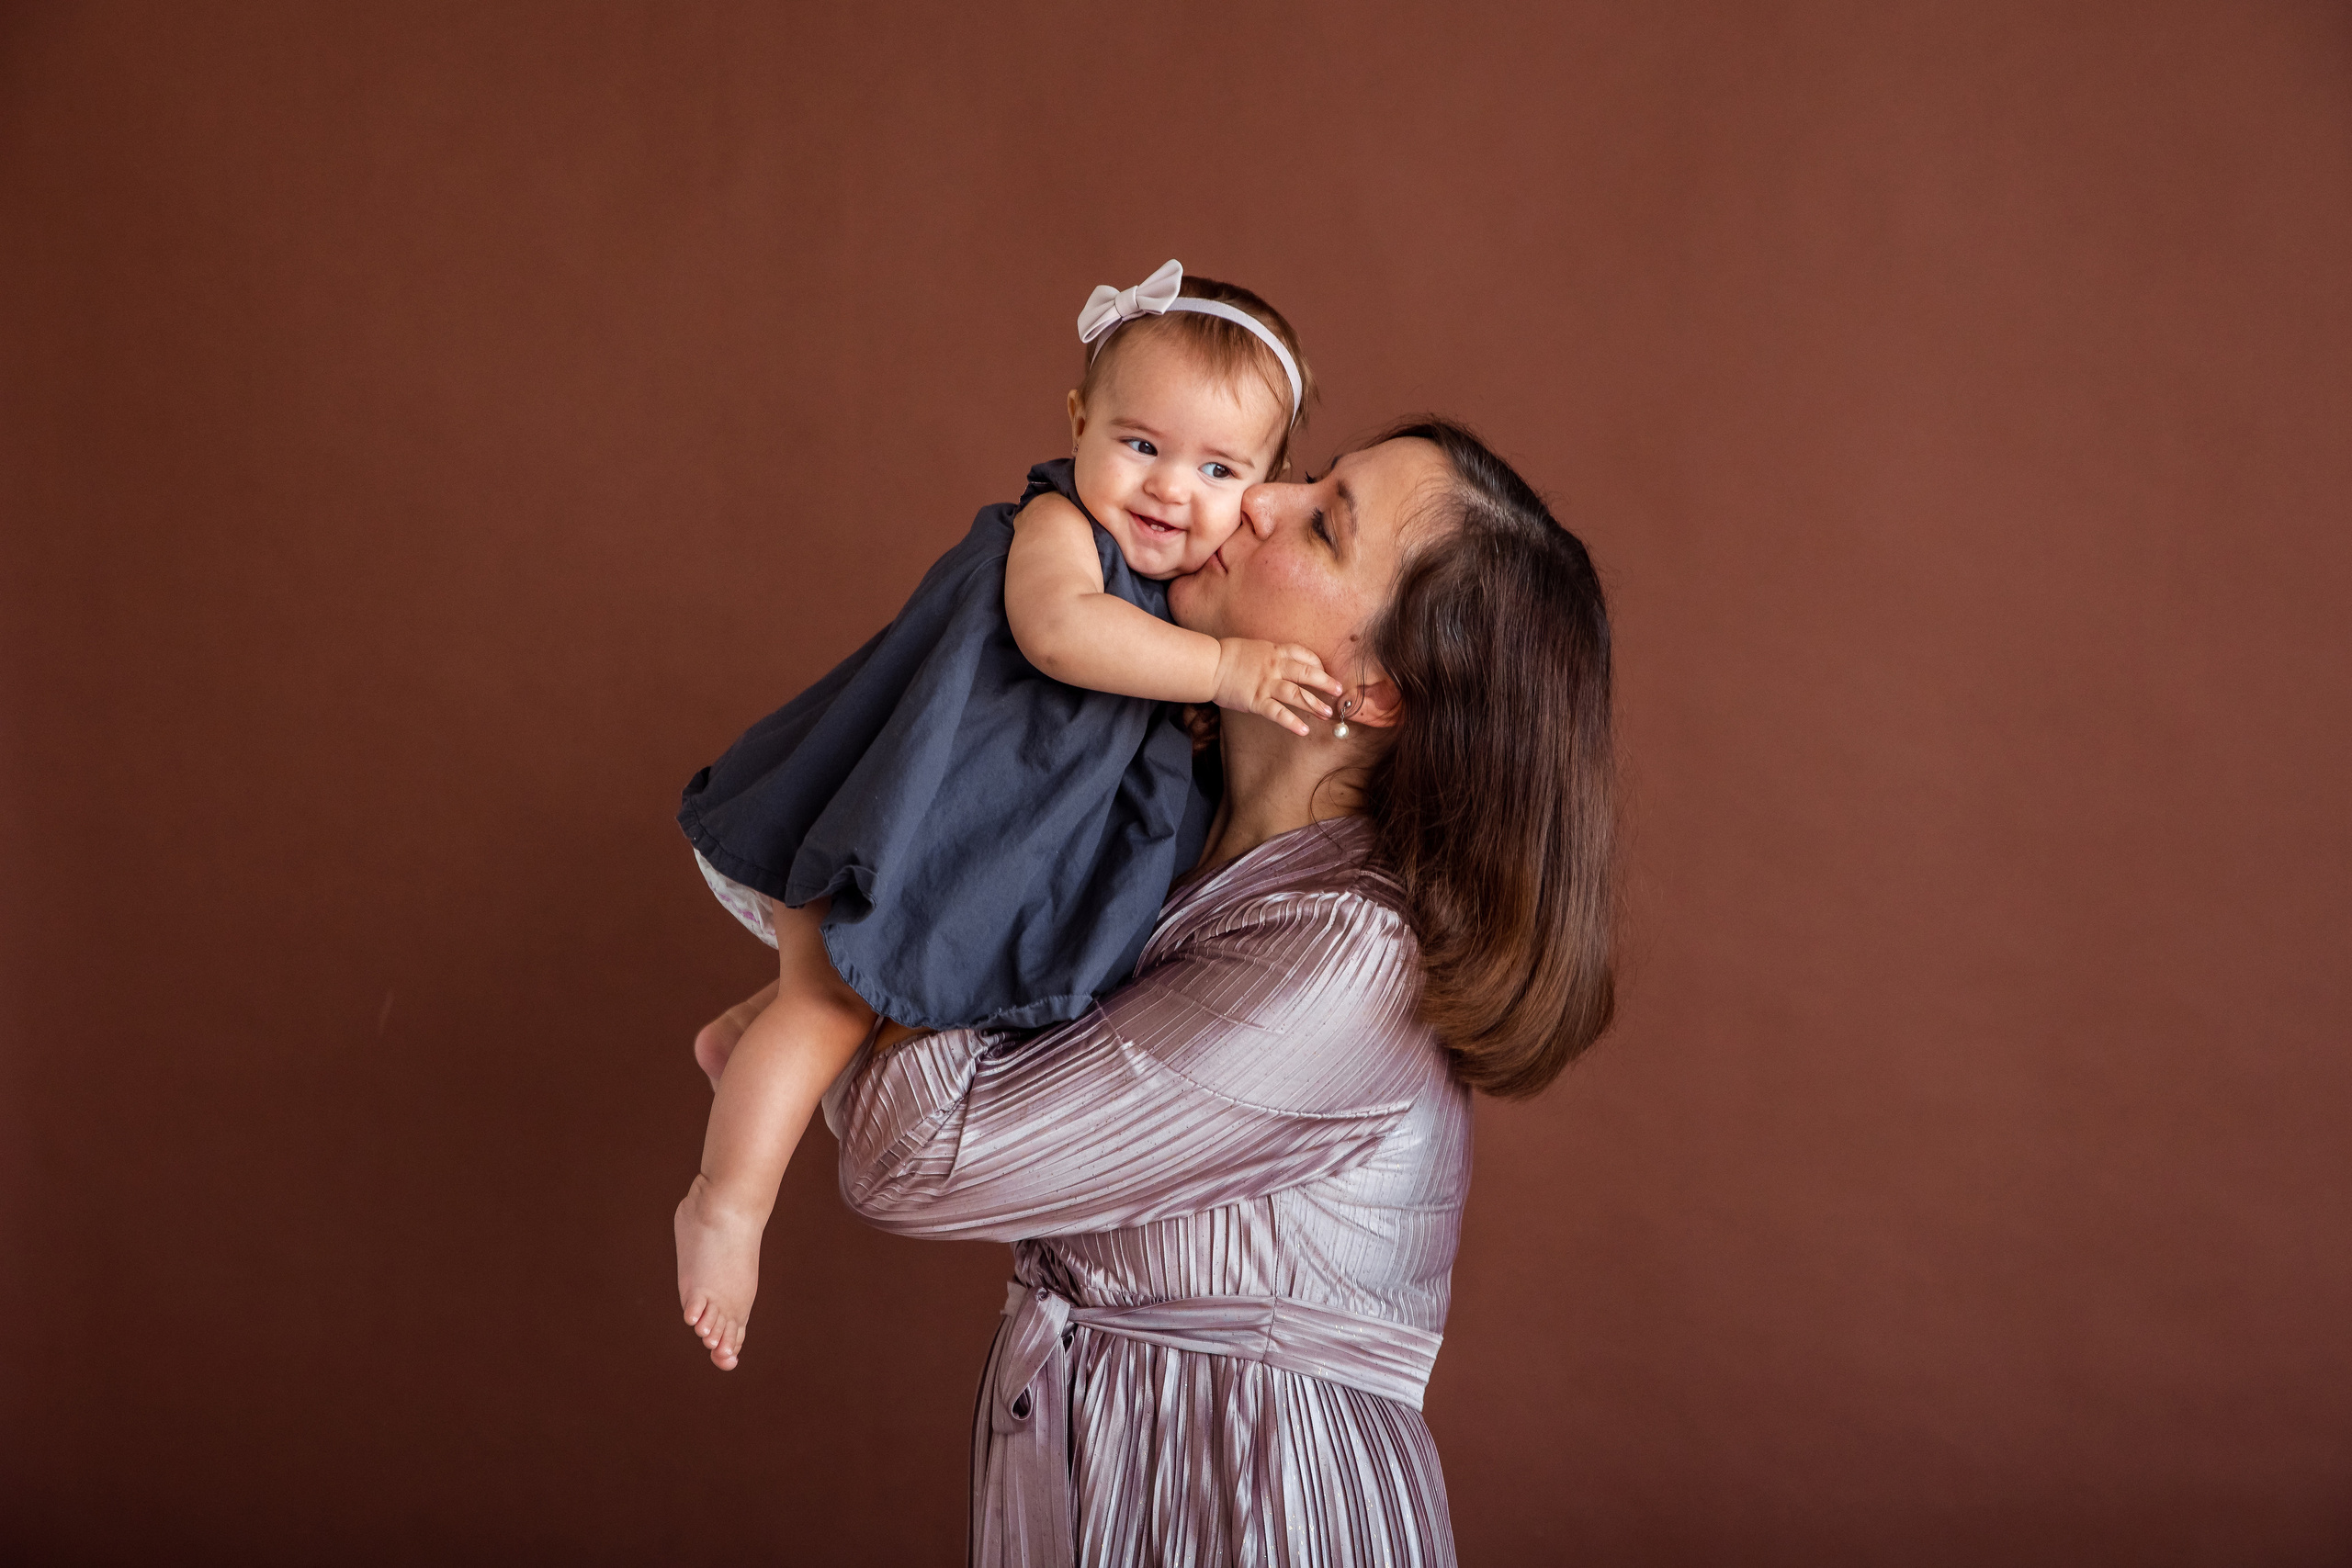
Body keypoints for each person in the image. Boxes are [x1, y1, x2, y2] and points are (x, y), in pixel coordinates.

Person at [830, 419, 1618, 1566]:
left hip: (1262, 1519)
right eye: (1307, 472)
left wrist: (937, 873)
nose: (1255, 497)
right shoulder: (1157, 829)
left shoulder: (1346, 959)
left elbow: (912, 1151)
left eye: (1321, 521)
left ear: (1376, 689)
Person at [671, 262, 1342, 1371]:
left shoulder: (1170, 584)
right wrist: (1225, 666)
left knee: (861, 995)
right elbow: (1059, 638)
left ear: (1260, 488)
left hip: (961, 847)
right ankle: (725, 1205)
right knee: (832, 1005)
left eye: (1217, 468)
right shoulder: (1058, 530)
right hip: (898, 815)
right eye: (1141, 444)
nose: (1171, 489)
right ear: (1079, 426)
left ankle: (741, 1040)